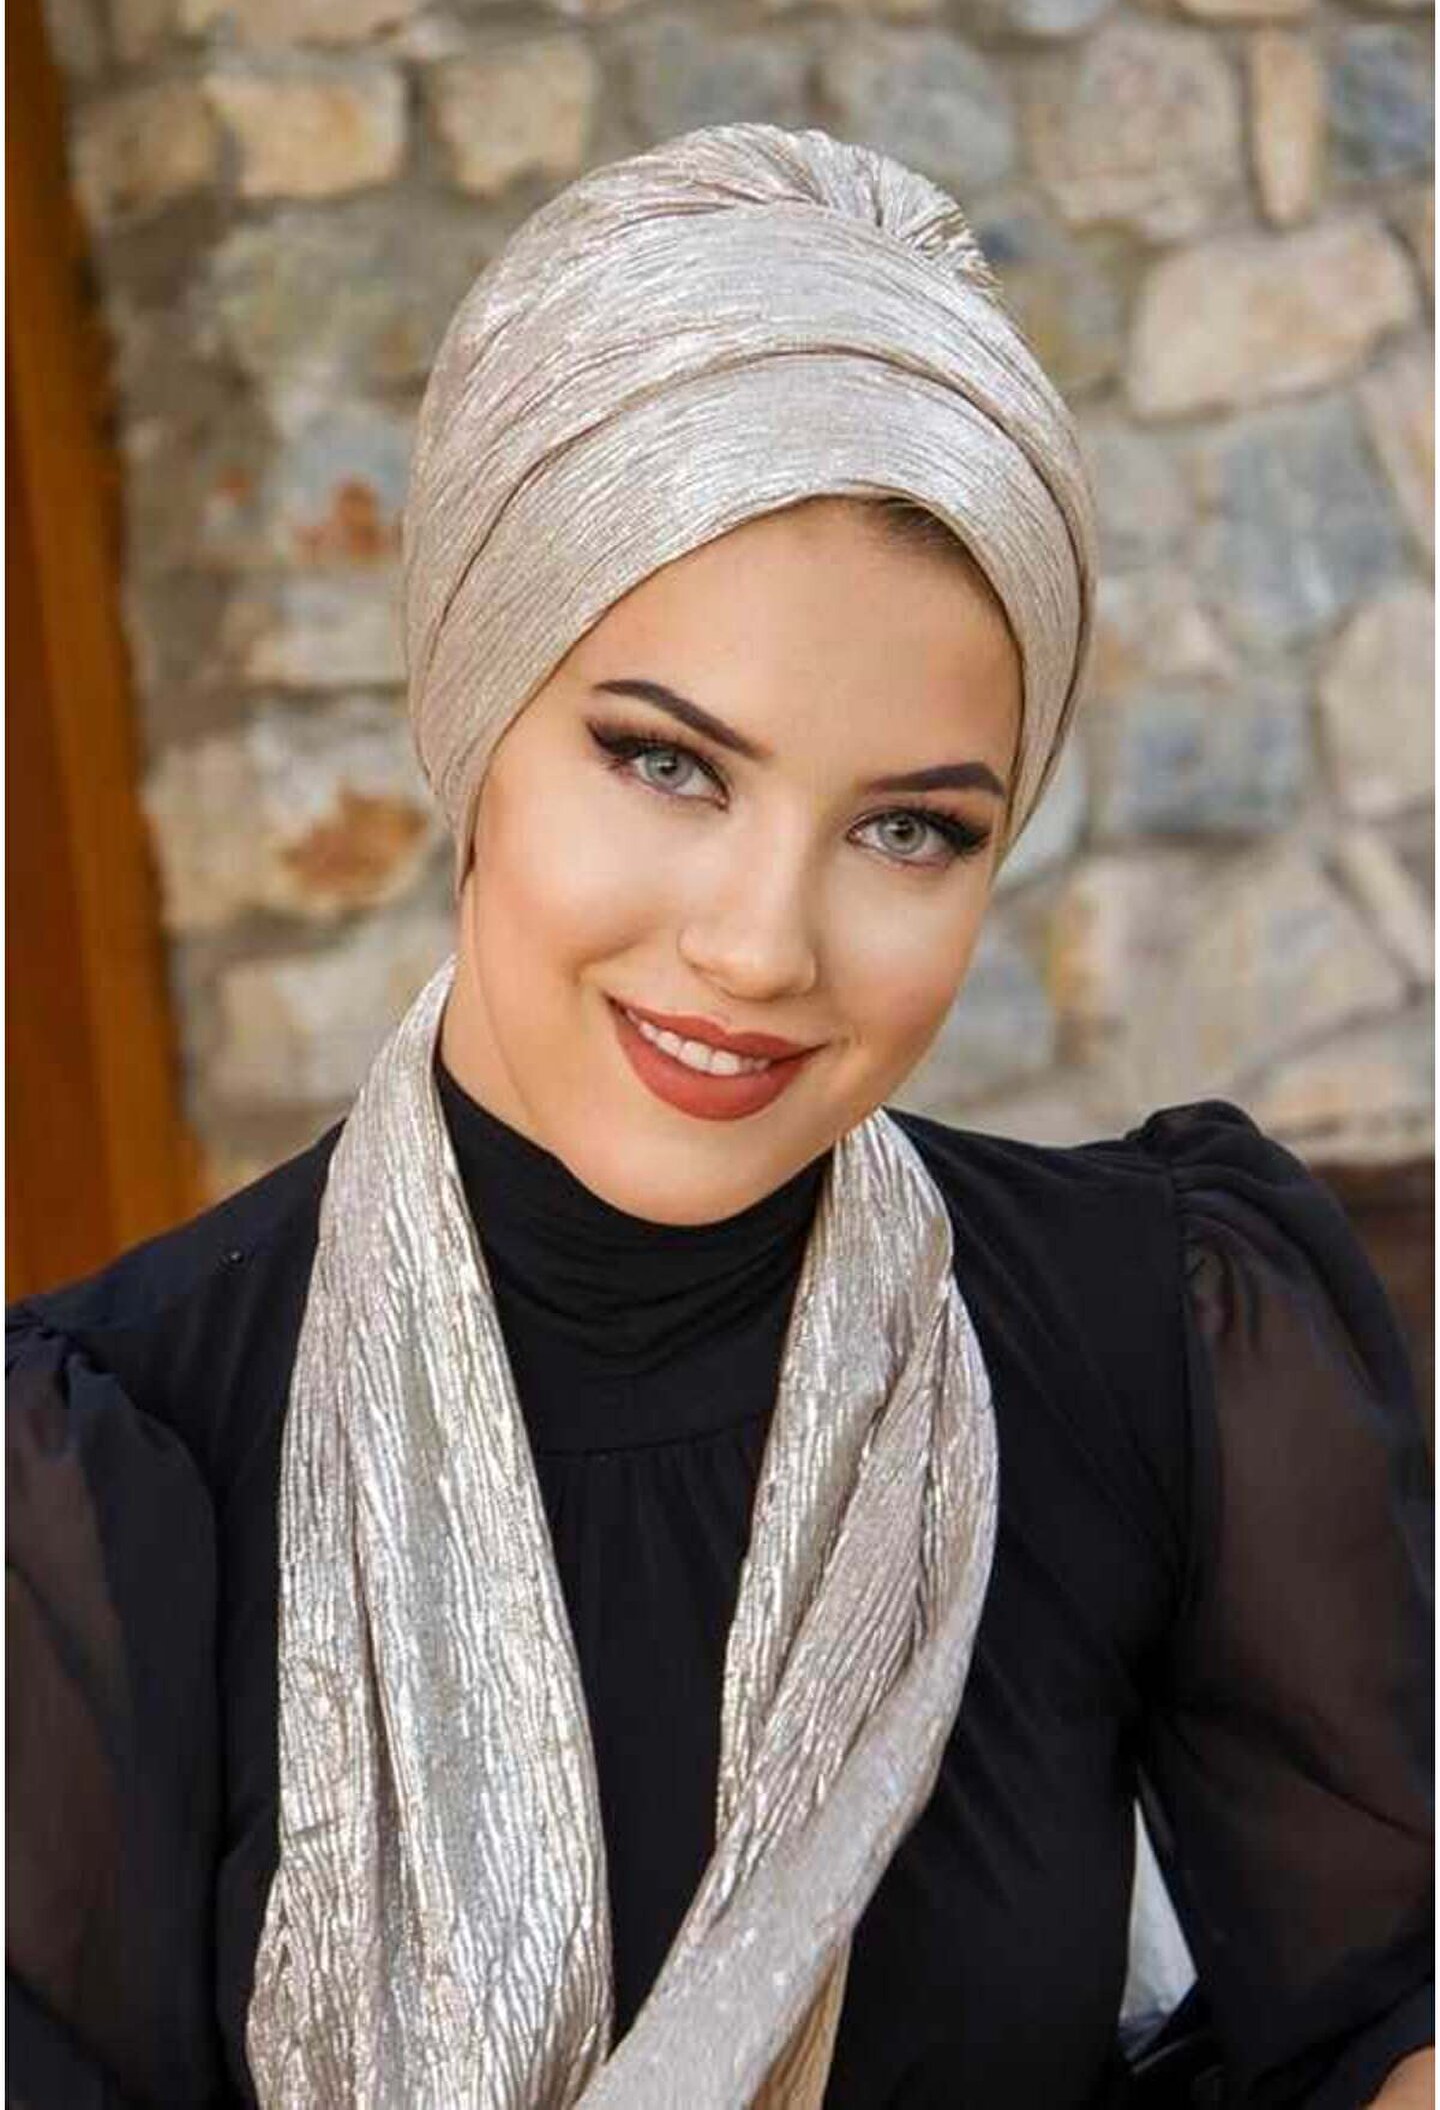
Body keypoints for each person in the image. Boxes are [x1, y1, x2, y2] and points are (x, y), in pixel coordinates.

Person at [6, 124, 1432, 2110]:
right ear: (474, 713)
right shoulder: (108, 1468)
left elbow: (1381, 2025)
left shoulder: (1152, 1346)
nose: (763, 945)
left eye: (911, 829)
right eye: (669, 764)